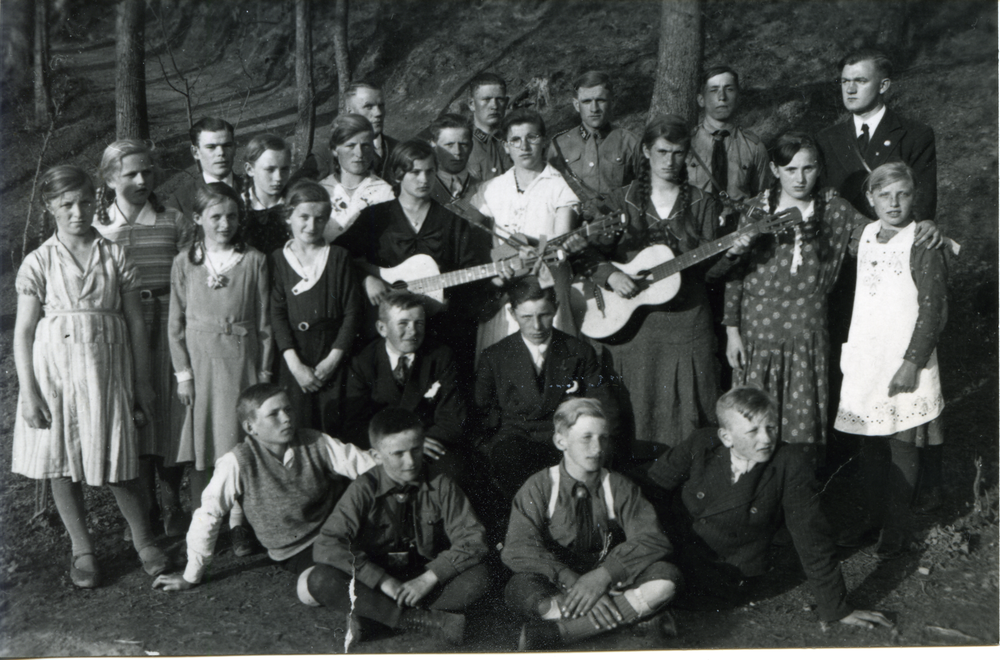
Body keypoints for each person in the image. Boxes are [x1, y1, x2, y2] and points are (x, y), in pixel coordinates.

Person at [723, 132, 939, 460]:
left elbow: (884, 235)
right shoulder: (755, 211)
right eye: (791, 169)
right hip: (757, 332)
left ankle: (797, 495)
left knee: (801, 416)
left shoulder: (836, 211)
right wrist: (732, 330)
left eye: (808, 168)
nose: (800, 177)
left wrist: (927, 228)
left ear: (819, 168)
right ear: (773, 169)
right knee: (754, 416)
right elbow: (735, 274)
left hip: (806, 333)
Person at [13, 165, 168, 588]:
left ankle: (144, 541)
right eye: (66, 204)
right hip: (56, 372)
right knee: (61, 460)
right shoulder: (39, 261)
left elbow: (136, 322)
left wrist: (142, 382)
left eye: (84, 201)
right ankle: (83, 549)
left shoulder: (114, 253)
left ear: (94, 200)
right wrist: (28, 391)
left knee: (119, 455)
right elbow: (23, 332)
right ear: (50, 208)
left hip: (107, 368)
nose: (77, 211)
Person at [646, 386, 893, 631]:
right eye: (753, 431)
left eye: (772, 428)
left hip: (723, 575)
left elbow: (811, 538)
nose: (766, 439)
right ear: (726, 437)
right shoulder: (701, 444)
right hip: (672, 550)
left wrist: (836, 607)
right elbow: (649, 488)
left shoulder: (789, 464)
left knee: (657, 585)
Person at [581, 115, 745, 460]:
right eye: (662, 151)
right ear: (645, 151)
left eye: (678, 153)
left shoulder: (702, 202)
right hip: (632, 327)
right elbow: (585, 251)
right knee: (635, 411)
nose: (670, 161)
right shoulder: (618, 200)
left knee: (690, 411)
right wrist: (611, 275)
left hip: (687, 323)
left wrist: (731, 255)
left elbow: (710, 275)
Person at [151, 384, 375, 593]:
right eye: (273, 414)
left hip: (339, 531)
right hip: (297, 549)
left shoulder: (315, 441)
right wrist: (191, 575)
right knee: (330, 583)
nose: (286, 418)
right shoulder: (238, 461)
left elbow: (366, 466)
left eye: (288, 409)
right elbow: (208, 513)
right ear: (250, 427)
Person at [834, 163, 951, 557]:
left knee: (902, 442)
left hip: (906, 361)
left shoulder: (923, 242)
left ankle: (897, 529)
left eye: (902, 194)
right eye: (884, 195)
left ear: (914, 196)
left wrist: (911, 363)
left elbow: (933, 311)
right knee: (870, 445)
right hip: (869, 357)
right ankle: (872, 520)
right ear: (870, 199)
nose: (894, 203)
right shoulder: (865, 234)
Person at [503, 398, 681, 650]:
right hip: (559, 582)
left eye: (603, 438)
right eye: (586, 437)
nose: (597, 448)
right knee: (521, 590)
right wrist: (572, 580)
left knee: (667, 579)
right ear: (560, 441)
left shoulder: (618, 486)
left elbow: (652, 538)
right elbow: (518, 547)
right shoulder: (540, 486)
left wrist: (603, 576)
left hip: (611, 581)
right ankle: (631, 615)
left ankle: (560, 633)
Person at [305, 407, 490, 646]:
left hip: (425, 575)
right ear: (377, 455)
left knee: (480, 577)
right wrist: (382, 581)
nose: (410, 462)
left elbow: (473, 538)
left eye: (416, 450)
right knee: (320, 579)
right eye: (398, 454)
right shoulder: (363, 488)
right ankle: (419, 620)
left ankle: (376, 618)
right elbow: (328, 544)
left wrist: (429, 578)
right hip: (379, 580)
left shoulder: (442, 484)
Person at [168, 183, 273, 556]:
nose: (224, 223)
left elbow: (264, 323)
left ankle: (239, 522)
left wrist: (263, 373)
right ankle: (204, 523)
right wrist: (183, 374)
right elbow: (175, 323)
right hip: (200, 362)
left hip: (241, 361)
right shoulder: (185, 262)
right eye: (215, 216)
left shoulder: (254, 260)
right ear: (198, 219)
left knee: (239, 442)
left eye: (231, 215)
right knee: (204, 444)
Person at [95, 140, 188, 538]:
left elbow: (189, 274)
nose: (140, 180)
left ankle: (172, 501)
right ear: (109, 177)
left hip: (167, 320)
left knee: (168, 411)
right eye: (130, 173)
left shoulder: (173, 220)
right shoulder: (99, 225)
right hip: (120, 326)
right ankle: (145, 505)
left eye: (147, 171)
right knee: (135, 411)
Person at [335, 139, 489, 375]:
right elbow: (338, 257)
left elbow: (472, 276)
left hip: (440, 329)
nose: (424, 180)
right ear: (398, 175)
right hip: (382, 329)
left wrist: (446, 300)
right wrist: (367, 279)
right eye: (415, 172)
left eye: (429, 172)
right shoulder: (375, 217)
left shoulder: (453, 222)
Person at [474, 277, 612, 501]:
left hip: (563, 441)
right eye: (526, 317)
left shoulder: (578, 351)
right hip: (515, 445)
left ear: (556, 309)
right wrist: (491, 449)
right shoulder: (495, 356)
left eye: (545, 315)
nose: (536, 326)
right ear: (512, 313)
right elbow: (480, 414)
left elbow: (602, 404)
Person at [476, 109, 582, 351]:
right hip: (505, 289)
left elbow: (560, 242)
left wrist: (536, 248)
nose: (524, 146)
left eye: (532, 137)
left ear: (543, 140)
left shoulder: (559, 185)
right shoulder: (494, 188)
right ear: (505, 146)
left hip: (544, 289)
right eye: (515, 140)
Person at [270, 180, 363, 435]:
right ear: (289, 216)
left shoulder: (338, 257)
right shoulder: (278, 258)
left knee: (333, 426)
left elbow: (352, 312)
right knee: (296, 425)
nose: (311, 226)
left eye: (320, 219)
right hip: (294, 356)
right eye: (304, 217)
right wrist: (295, 365)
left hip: (332, 352)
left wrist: (332, 360)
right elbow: (276, 314)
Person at [341, 293, 466, 471]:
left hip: (429, 445)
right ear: (382, 328)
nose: (413, 331)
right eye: (403, 323)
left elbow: (452, 417)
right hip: (385, 450)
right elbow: (355, 425)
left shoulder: (440, 356)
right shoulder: (362, 363)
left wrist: (418, 445)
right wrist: (397, 447)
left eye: (419, 323)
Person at [817, 49, 937, 221]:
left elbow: (923, 203)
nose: (850, 89)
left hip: (892, 240)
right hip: (842, 241)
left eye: (860, 81)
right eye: (845, 81)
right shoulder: (826, 138)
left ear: (883, 85)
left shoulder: (915, 135)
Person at [686, 65, 770, 229]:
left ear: (738, 97)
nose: (722, 97)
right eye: (713, 90)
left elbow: (763, 197)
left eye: (729, 89)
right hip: (695, 231)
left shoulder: (754, 147)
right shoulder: (686, 146)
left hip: (738, 233)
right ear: (700, 100)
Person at [547, 70, 640, 200]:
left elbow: (644, 189)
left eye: (600, 100)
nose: (594, 108)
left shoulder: (630, 143)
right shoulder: (559, 145)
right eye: (586, 101)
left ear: (611, 102)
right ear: (576, 105)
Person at [318, 114, 395, 243]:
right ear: (334, 150)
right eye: (350, 146)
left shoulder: (385, 193)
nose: (359, 154)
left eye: (365, 145)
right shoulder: (320, 192)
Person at [166, 117, 242, 226]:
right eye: (211, 147)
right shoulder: (180, 200)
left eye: (227, 145)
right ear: (196, 152)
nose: (221, 152)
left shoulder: (254, 189)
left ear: (234, 148)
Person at [428, 113, 490, 230]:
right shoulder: (423, 189)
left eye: (463, 144)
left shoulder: (485, 189)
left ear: (471, 146)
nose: (457, 152)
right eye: (449, 145)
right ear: (433, 145)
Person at [240, 133, 292, 257]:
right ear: (250, 169)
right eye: (270, 170)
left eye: (284, 169)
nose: (278, 178)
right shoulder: (237, 207)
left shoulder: (295, 205)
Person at [343, 81, 399, 180]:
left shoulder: (399, 150)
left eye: (381, 105)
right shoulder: (327, 157)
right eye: (368, 106)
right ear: (350, 112)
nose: (378, 113)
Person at [465, 72, 512, 181]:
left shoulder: (517, 140)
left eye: (499, 99)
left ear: (506, 102)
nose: (494, 106)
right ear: (471, 104)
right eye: (486, 100)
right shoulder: (462, 144)